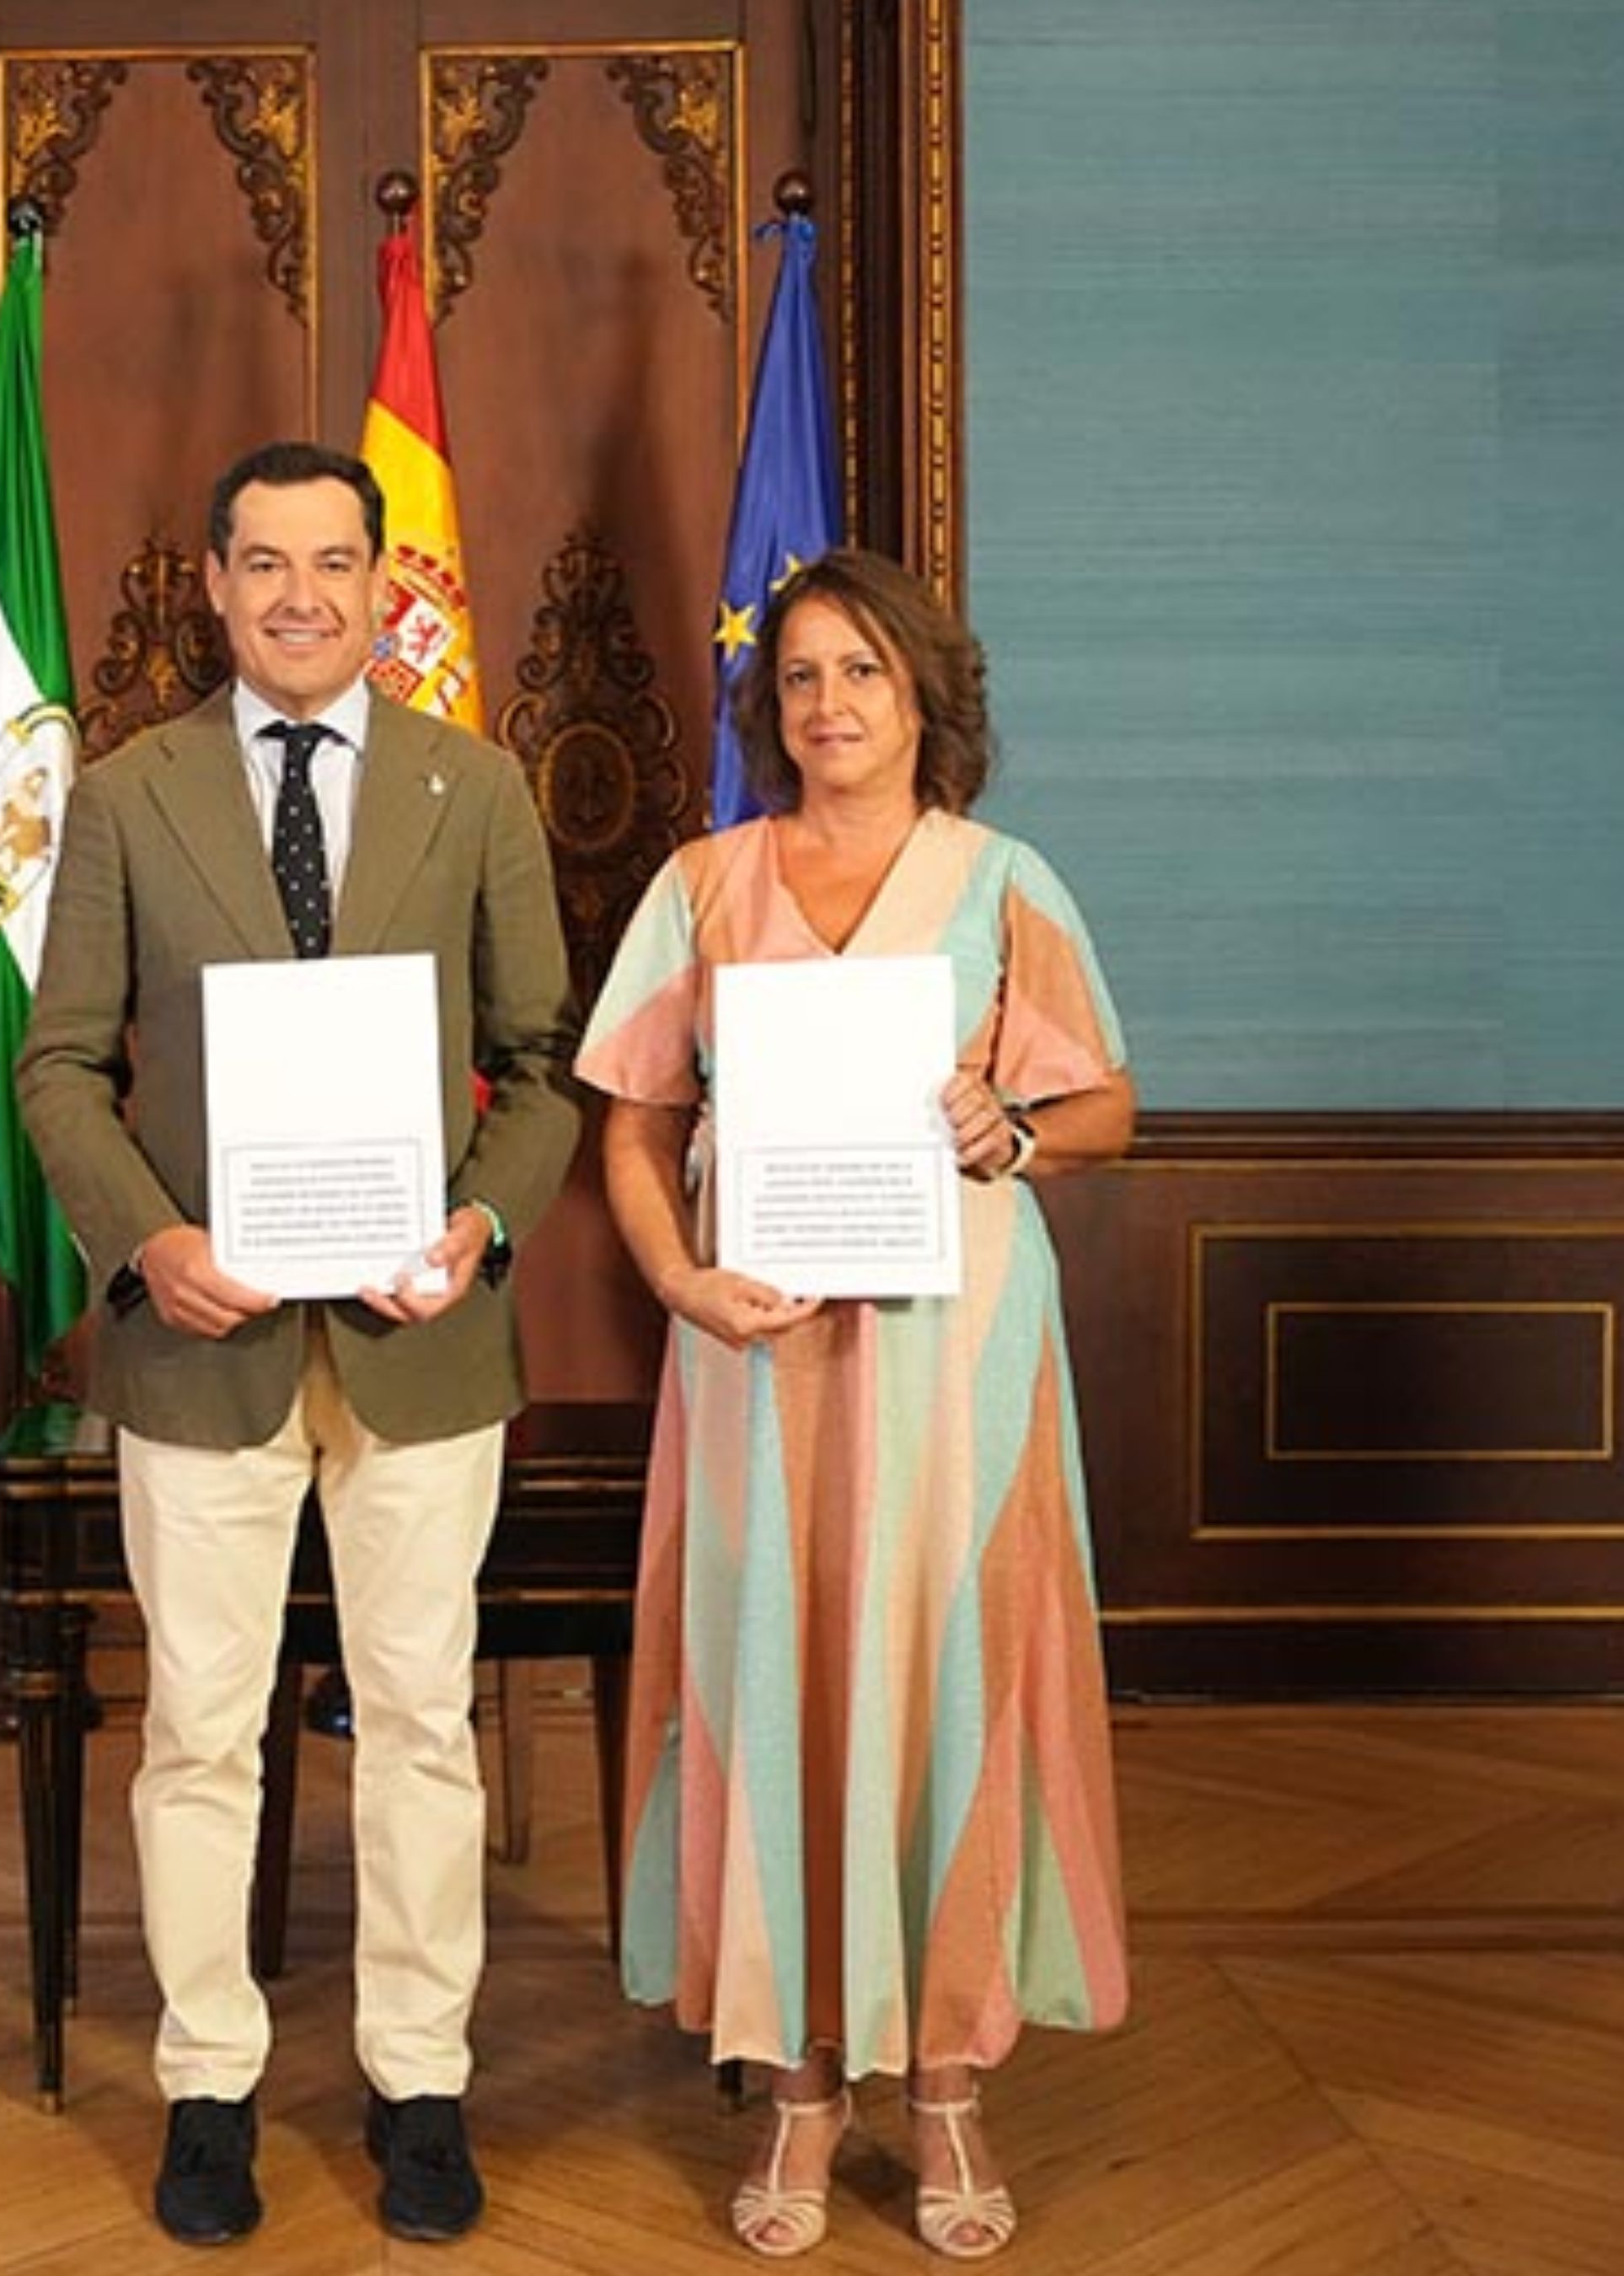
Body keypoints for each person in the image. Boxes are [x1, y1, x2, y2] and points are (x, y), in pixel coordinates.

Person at [16, 440, 581, 2246]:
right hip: (205, 1344)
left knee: (421, 1722)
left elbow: (548, 1062)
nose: (300, 598)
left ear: (379, 580)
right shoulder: (126, 795)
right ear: (211, 582)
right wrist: (148, 1245)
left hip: (422, 1343)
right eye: (264, 564)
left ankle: (421, 2081)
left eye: (334, 563)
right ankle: (211, 2087)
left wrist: (485, 1221)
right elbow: (57, 1067)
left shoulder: (473, 785)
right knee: (203, 1728)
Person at [576, 548, 1134, 2260]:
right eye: (804, 676)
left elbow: (1105, 1105)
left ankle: (949, 2074)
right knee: (781, 1683)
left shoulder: (1001, 881)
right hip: (754, 1350)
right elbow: (629, 1124)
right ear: (775, 704)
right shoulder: (701, 884)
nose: (831, 705)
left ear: (926, 700)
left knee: (946, 1678)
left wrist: (1015, 1134)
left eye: (865, 675)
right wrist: (680, 1284)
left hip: (955, 1357)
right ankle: (803, 2076)